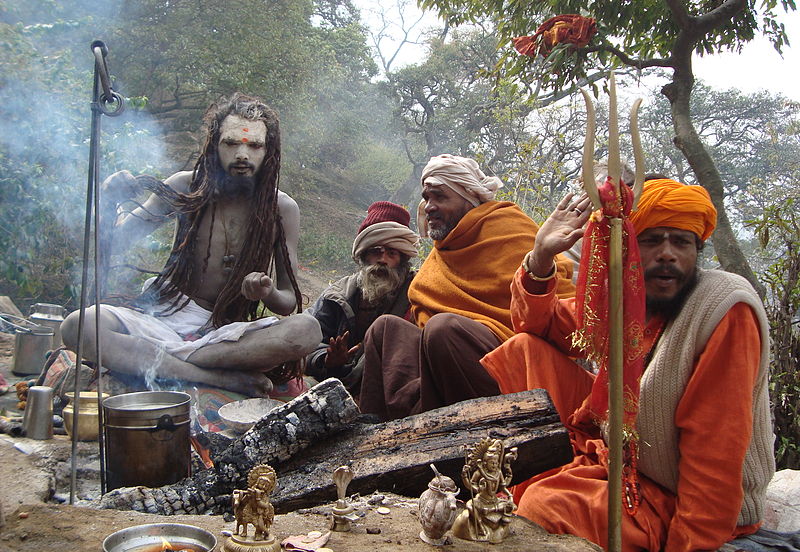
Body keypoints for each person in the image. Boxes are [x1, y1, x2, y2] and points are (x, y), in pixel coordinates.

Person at [481, 178, 775, 551]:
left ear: (697, 250)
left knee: (545, 505)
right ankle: (540, 468)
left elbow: (716, 450)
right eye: (652, 240)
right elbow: (538, 325)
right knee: (523, 349)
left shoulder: (724, 309)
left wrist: (692, 545)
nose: (667, 254)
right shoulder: (632, 292)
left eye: (681, 242)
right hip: (621, 455)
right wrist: (540, 257)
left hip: (675, 495)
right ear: (630, 247)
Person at [61, 93, 321, 397]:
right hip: (164, 316)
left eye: (254, 145)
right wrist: (109, 201)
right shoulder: (186, 187)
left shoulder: (282, 209)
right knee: (78, 325)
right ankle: (217, 378)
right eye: (231, 143)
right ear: (215, 145)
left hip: (225, 335)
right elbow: (115, 243)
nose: (242, 154)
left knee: (307, 331)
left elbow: (288, 301)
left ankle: (161, 362)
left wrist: (267, 292)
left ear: (269, 151)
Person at [358, 154, 575, 419]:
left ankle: (476, 433)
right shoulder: (443, 252)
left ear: (468, 198)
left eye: (440, 197)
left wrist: (541, 262)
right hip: (445, 369)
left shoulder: (507, 227)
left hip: (515, 372)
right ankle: (377, 437)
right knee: (384, 329)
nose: (429, 207)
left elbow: (560, 311)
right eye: (427, 198)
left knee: (444, 329)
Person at [305, 201, 419, 395]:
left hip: (392, 390)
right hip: (335, 384)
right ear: (363, 255)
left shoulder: (418, 294)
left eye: (391, 253)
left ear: (402, 259)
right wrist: (325, 359)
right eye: (376, 252)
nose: (382, 260)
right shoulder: (338, 294)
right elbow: (308, 339)